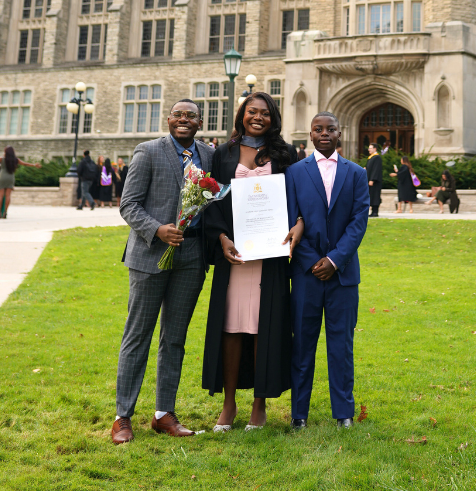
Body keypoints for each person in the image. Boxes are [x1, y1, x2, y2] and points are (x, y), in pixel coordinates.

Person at [112, 99, 214, 444]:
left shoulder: (208, 155)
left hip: (191, 257)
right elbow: (128, 204)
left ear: (201, 122)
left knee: (174, 338)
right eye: (178, 115)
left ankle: (163, 414)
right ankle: (123, 416)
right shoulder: (147, 152)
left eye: (191, 116)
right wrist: (157, 229)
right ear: (168, 119)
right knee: (137, 336)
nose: (184, 120)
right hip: (149, 255)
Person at [202, 93, 296, 432]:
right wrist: (221, 238)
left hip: (269, 256)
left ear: (274, 118)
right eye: (251, 112)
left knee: (264, 325)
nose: (258, 117)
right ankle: (228, 404)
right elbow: (211, 201)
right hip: (236, 255)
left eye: (265, 113)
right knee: (232, 325)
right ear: (242, 114)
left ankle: (259, 404)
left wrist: (296, 225)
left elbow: (294, 198)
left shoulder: (285, 154)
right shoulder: (222, 154)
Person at [284, 111, 369, 429]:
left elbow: (359, 221)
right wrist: (310, 261)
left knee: (341, 345)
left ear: (339, 133)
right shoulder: (294, 173)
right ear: (310, 133)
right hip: (306, 274)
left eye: (330, 129)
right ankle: (299, 414)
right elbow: (292, 220)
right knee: (302, 344)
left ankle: (344, 412)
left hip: (343, 275)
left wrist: (334, 260)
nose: (324, 133)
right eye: (318, 129)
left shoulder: (357, 173)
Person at [0, 146, 41, 219]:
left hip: (2, 177)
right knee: (8, 196)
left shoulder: (2, 159)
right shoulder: (15, 160)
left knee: (0, 195)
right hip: (10, 178)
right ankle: (5, 212)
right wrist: (34, 165)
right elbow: (25, 164)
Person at [365, 144, 382, 217]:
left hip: (375, 182)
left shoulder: (377, 157)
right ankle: (372, 212)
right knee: (371, 196)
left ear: (375, 149)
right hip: (370, 180)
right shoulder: (371, 158)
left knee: (375, 196)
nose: (369, 149)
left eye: (370, 148)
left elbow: (376, 169)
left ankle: (375, 212)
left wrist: (372, 179)